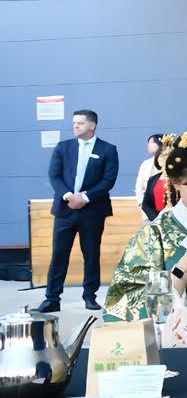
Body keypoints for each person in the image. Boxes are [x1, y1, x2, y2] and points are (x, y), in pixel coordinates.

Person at [104, 124, 187, 322]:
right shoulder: (153, 236)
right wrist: (184, 265)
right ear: (175, 181)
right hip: (176, 339)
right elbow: (126, 308)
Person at [37, 108, 121, 313]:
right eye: (74, 122)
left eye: (80, 123)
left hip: (92, 211)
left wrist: (85, 198)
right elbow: (54, 175)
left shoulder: (108, 149)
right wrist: (69, 196)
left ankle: (90, 296)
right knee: (59, 254)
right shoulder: (63, 147)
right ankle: (52, 298)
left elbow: (108, 180)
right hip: (65, 210)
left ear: (92, 125)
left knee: (91, 254)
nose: (75, 125)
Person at [134, 132, 163, 204]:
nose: (148, 146)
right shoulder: (146, 164)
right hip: (149, 203)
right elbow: (139, 185)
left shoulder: (170, 162)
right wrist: (141, 202)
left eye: (151, 142)